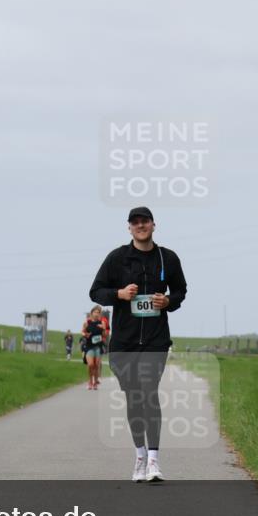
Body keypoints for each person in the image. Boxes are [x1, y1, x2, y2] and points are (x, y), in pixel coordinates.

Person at [89, 206, 187, 482]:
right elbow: (95, 291)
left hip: (155, 340)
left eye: (145, 222)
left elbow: (181, 290)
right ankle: (140, 455)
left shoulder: (167, 258)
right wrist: (118, 294)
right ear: (129, 227)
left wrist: (168, 301)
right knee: (134, 398)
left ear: (154, 225)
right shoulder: (117, 259)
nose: (141, 226)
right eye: (136, 223)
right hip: (124, 342)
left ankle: (154, 461)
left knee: (149, 393)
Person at [82, 306, 108, 390]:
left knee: (96, 365)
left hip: (98, 346)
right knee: (90, 365)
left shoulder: (102, 323)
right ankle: (90, 381)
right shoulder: (87, 322)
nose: (97, 314)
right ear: (92, 313)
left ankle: (95, 382)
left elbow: (104, 335)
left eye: (98, 313)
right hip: (89, 346)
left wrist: (103, 329)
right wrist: (86, 334)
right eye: (95, 312)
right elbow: (82, 332)